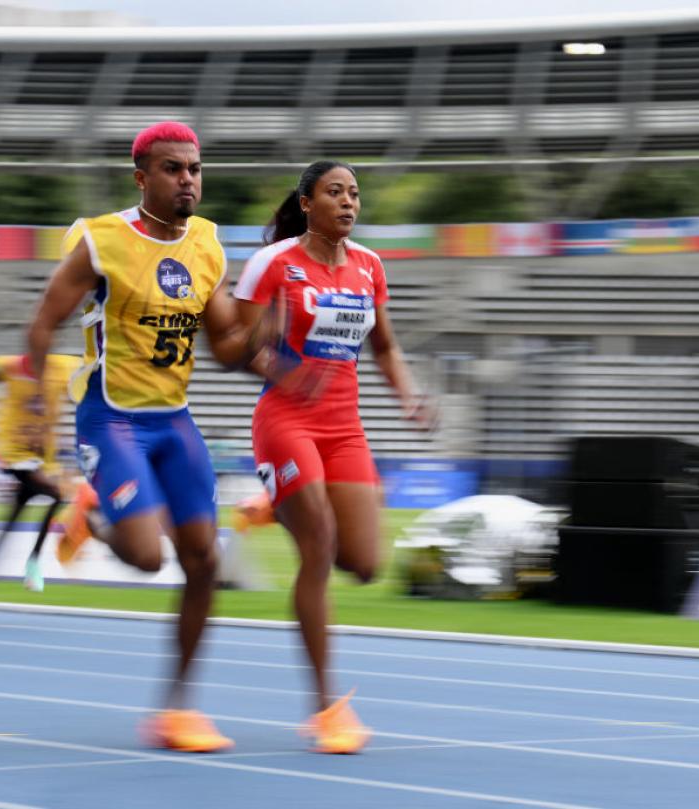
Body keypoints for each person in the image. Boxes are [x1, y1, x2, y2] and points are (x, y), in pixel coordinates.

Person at [26, 121, 265, 753]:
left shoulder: (209, 244)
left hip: (175, 421)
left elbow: (229, 346)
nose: (187, 179)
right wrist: (33, 413)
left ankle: (177, 710)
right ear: (142, 178)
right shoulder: (101, 242)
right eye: (172, 169)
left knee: (203, 563)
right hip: (111, 417)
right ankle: (94, 515)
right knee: (146, 557)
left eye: (194, 169)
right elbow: (42, 325)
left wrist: (273, 327)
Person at [233, 160, 436, 754]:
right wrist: (281, 369)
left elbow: (386, 345)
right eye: (335, 192)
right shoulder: (274, 264)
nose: (349, 203)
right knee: (317, 547)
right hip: (286, 421)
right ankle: (327, 708)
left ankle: (273, 504)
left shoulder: (369, 266)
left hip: (344, 428)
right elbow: (244, 344)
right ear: (306, 203)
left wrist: (411, 397)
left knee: (366, 565)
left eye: (354, 194)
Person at [0, 353, 81, 592]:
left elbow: (83, 384)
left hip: (42, 459)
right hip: (16, 454)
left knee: (14, 516)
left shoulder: (61, 367)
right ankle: (32, 564)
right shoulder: (12, 366)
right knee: (58, 495)